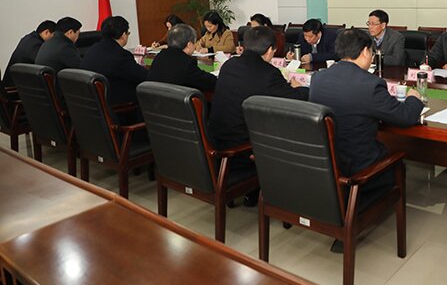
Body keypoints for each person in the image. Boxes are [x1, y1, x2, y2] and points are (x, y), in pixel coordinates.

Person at [309, 28, 423, 209]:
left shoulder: (318, 77)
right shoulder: (370, 84)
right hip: (359, 171)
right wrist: (413, 98)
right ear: (364, 52)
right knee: (397, 163)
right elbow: (405, 117)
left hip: (326, 165)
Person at [208, 26, 309, 196]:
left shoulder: (229, 65)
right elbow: (295, 99)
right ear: (270, 50)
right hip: (243, 150)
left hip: (217, 141)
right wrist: (301, 88)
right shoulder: (269, 73)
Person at [81, 16, 148, 105]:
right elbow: (144, 77)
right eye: (128, 33)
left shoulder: (92, 49)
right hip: (118, 105)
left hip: (95, 103)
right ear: (123, 35)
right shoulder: (120, 55)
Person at [147, 24, 217, 92]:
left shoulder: (160, 56)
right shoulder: (186, 62)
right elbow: (210, 82)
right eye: (194, 43)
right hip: (175, 99)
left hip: (154, 98)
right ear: (189, 44)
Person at [3, 20, 56, 86]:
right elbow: (44, 63)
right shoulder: (36, 44)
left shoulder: (29, 38)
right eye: (54, 35)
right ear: (46, 32)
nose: (55, 40)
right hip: (13, 87)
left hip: (14, 84)